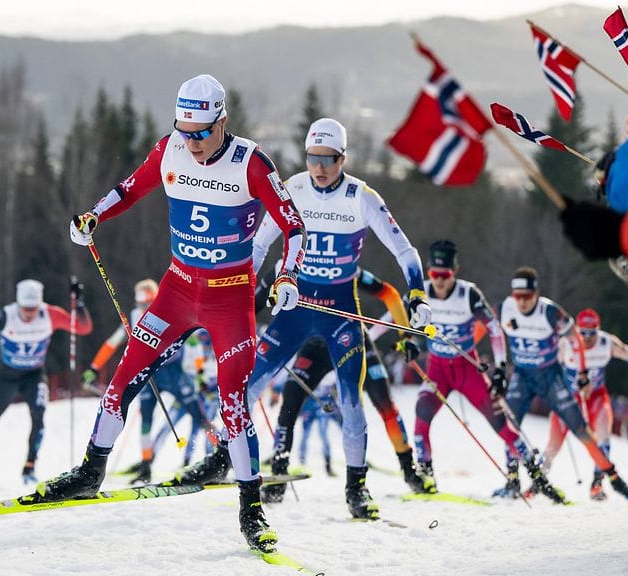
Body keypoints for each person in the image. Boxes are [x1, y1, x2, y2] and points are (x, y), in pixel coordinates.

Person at [31, 74, 307, 553]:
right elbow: (129, 189)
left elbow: (294, 226)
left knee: (233, 402)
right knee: (122, 380)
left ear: (222, 122)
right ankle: (90, 471)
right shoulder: (170, 149)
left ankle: (250, 508)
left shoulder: (252, 163)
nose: (192, 142)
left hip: (229, 296)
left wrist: (287, 277)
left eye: (201, 132)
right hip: (177, 290)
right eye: (185, 131)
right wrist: (93, 215)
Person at [240, 117, 431, 520]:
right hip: (296, 308)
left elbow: (406, 252)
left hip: (341, 313)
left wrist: (416, 294)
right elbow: (259, 244)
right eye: (313, 158)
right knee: (247, 388)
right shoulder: (291, 189)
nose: (320, 168)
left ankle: (356, 488)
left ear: (343, 158)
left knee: (352, 402)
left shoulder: (362, 197)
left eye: (328, 159)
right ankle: (232, 461)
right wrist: (245, 292)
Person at [405, 240, 566, 500]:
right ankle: (425, 475)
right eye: (435, 274)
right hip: (437, 369)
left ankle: (536, 476)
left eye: (445, 275)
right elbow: (404, 320)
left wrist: (501, 368)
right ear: (428, 271)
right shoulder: (419, 293)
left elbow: (494, 329)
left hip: (467, 368)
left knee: (500, 423)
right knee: (421, 413)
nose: (440, 281)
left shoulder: (468, 294)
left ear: (454, 271)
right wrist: (409, 342)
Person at [260, 267, 433, 504]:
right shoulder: (295, 267)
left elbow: (390, 294)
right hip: (315, 347)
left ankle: (409, 472)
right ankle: (279, 475)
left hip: (351, 341)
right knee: (290, 400)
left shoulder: (344, 266)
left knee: (384, 404)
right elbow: (263, 293)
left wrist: (407, 337)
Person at [495, 267, 628, 501]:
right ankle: (513, 480)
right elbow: (490, 330)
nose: (522, 302)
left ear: (536, 293)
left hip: (550, 376)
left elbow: (576, 339)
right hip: (522, 375)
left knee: (580, 428)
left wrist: (582, 372)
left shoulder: (551, 312)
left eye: (527, 296)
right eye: (518, 296)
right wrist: (499, 365)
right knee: (509, 424)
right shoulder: (505, 308)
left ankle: (613, 478)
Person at [0, 278, 92, 485]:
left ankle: (29, 468)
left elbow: (82, 328)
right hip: (7, 377)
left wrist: (79, 303)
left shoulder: (49, 314)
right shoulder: (8, 314)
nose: (29, 313)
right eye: (25, 308)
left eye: (33, 308)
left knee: (39, 416)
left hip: (34, 375)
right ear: (18, 304)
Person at [80, 279, 210, 484]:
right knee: (146, 419)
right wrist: (94, 368)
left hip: (173, 371)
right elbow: (111, 343)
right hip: (150, 373)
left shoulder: (172, 309)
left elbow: (194, 343)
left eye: (150, 304)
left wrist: (200, 374)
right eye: (142, 305)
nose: (146, 309)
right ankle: (146, 465)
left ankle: (216, 458)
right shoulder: (132, 317)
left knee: (198, 413)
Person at [543, 308, 628, 499]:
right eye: (583, 332)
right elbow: (547, 364)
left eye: (592, 332)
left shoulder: (606, 343)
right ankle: (537, 482)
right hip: (570, 399)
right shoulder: (566, 344)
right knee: (553, 446)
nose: (587, 338)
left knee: (603, 436)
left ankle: (597, 484)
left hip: (596, 396)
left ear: (598, 329)